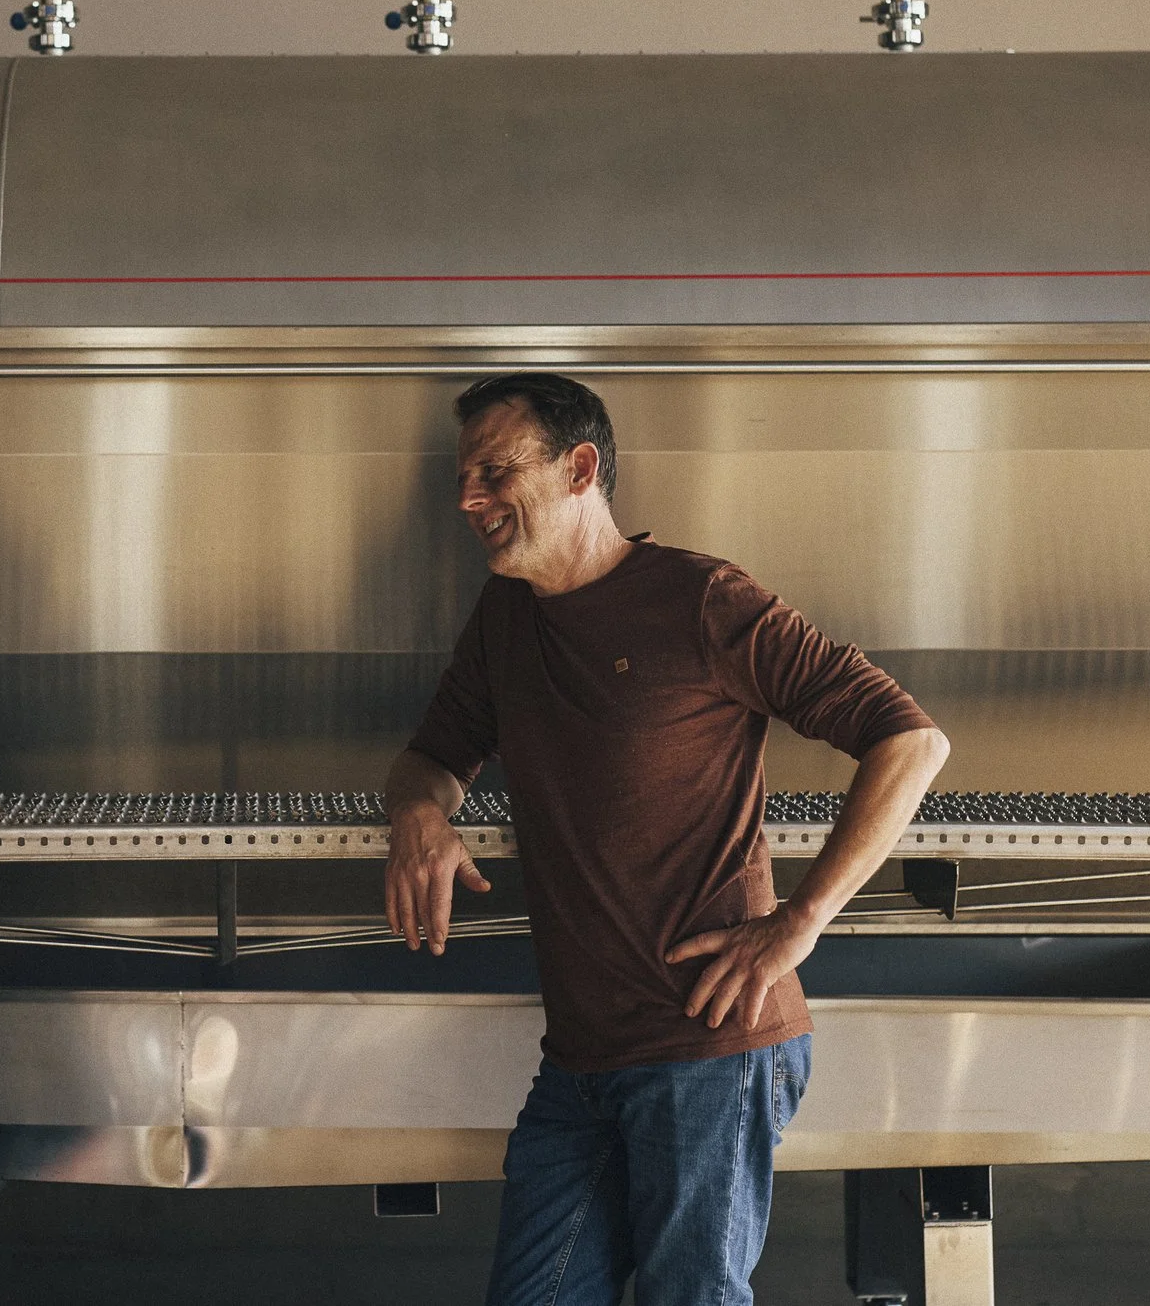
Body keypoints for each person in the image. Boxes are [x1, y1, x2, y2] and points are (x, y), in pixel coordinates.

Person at [383, 373, 949, 1306]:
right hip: (581, 1058)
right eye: (463, 478)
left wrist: (802, 919)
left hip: (708, 1049)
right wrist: (419, 814)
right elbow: (432, 757)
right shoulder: (505, 619)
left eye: (493, 471)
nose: (466, 500)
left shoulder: (702, 601)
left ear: (580, 469)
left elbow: (910, 740)